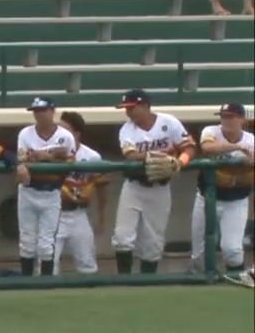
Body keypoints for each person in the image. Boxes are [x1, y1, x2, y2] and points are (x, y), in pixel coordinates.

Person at [112, 89, 196, 274]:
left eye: (131, 108)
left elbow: (189, 148)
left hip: (160, 187)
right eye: (126, 108)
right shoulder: (127, 129)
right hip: (134, 187)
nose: (128, 112)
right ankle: (124, 282)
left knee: (153, 242)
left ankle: (147, 285)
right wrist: (156, 156)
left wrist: (179, 162)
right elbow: (131, 155)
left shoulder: (169, 122)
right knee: (122, 237)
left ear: (144, 106)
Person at [14, 97, 76, 277]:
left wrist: (46, 155)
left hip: (52, 191)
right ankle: (27, 282)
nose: (38, 114)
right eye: (36, 111)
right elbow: (23, 159)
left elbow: (70, 163)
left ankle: (45, 284)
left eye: (42, 110)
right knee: (27, 241)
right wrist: (54, 154)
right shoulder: (25, 133)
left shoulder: (65, 135)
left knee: (46, 243)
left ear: (52, 111)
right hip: (29, 190)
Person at [190, 103, 253, 278]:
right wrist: (237, 148)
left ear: (241, 119)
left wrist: (242, 169)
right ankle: (200, 288)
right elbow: (208, 148)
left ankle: (237, 281)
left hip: (236, 201)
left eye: (231, 116)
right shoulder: (211, 131)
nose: (226, 120)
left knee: (232, 250)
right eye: (223, 116)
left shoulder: (251, 140)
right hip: (207, 198)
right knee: (199, 254)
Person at [54, 111, 108, 275]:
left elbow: (102, 186)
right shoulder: (50, 153)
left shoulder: (91, 156)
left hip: (78, 214)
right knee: (47, 266)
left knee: (87, 265)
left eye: (65, 129)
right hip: (54, 213)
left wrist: (101, 216)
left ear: (76, 133)